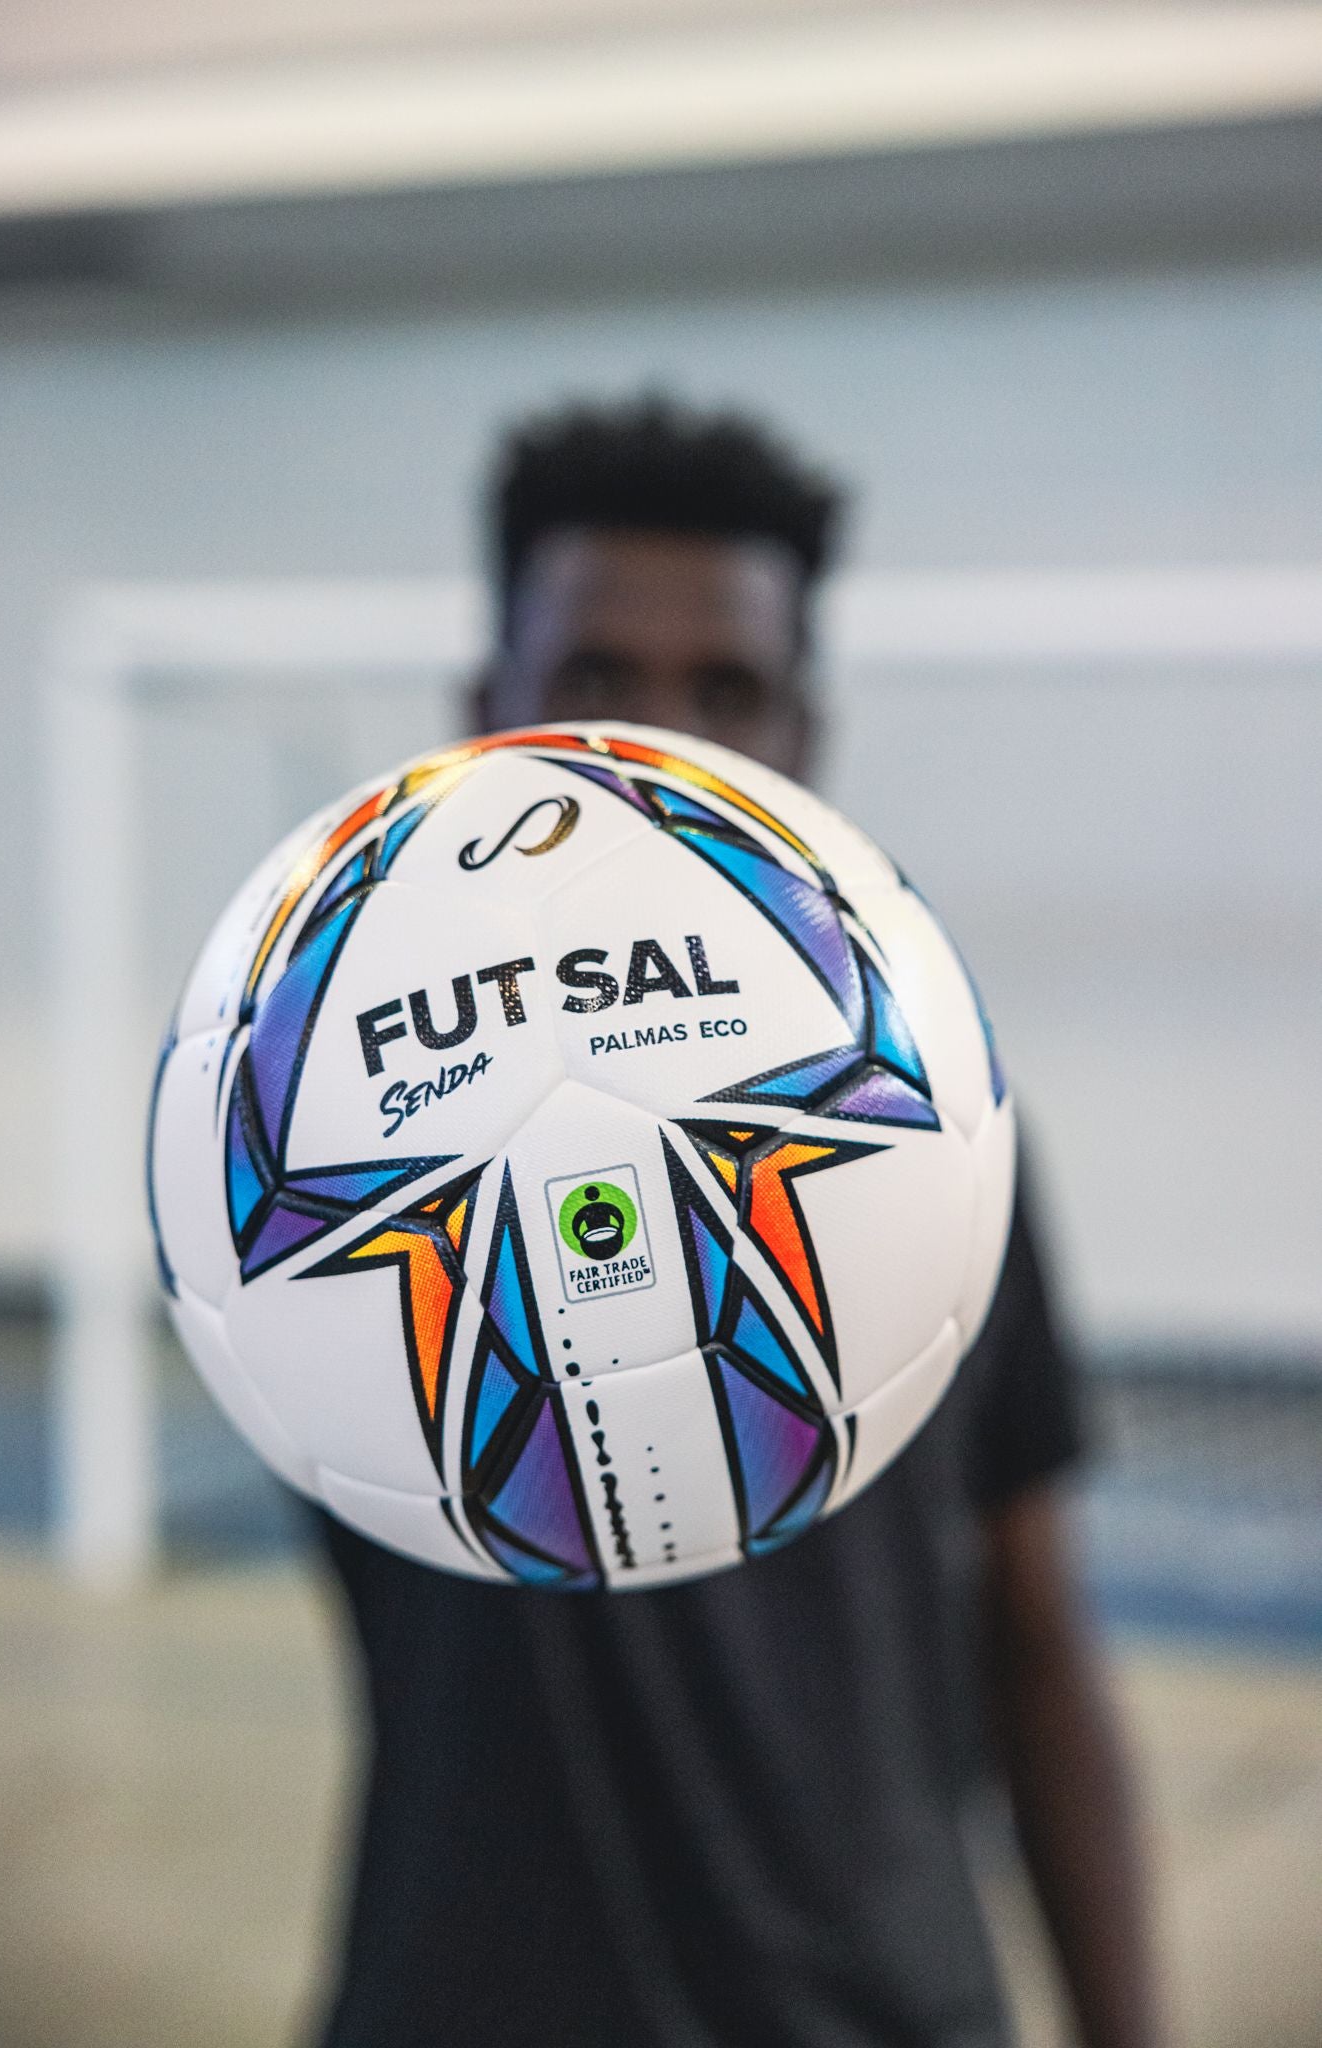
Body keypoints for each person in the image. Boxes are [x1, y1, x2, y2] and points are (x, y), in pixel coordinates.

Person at [312, 400, 1159, 2048]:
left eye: (725, 692)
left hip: (876, 2009)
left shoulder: (938, 1137)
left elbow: (1036, 1641)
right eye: (594, 681)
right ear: (485, 717)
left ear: (802, 743)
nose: (659, 746)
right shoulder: (313, 1135)